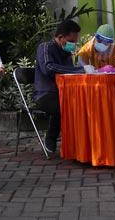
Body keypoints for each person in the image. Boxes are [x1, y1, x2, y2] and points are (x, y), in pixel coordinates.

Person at [34, 19, 84, 154]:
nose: (73, 45)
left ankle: (79, 143)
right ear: (61, 37)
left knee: (83, 105)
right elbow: (48, 68)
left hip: (64, 93)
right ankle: (51, 137)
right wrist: (78, 70)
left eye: (75, 42)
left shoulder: (66, 53)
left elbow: (69, 74)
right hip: (45, 95)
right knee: (64, 107)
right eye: (71, 41)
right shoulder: (45, 48)